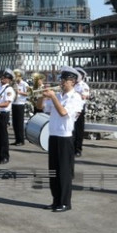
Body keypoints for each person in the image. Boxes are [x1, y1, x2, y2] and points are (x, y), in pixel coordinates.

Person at [40, 67, 84, 212]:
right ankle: (56, 200)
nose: (62, 82)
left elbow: (63, 113)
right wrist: (42, 96)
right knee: (53, 171)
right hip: (53, 135)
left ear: (73, 82)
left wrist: (52, 97)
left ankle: (65, 202)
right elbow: (40, 107)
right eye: (62, 79)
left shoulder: (75, 97)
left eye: (65, 80)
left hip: (65, 137)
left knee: (64, 172)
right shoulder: (58, 95)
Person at [0, 69, 15, 165]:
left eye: (5, 77)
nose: (3, 78)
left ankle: (5, 156)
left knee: (3, 136)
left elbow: (6, 103)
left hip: (3, 114)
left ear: (9, 80)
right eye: (2, 76)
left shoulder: (9, 89)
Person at [73, 67, 90, 157]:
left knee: (79, 130)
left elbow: (84, 96)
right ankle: (71, 148)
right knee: (71, 129)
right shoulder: (72, 84)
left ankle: (78, 149)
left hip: (79, 109)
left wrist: (73, 93)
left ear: (82, 76)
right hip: (70, 108)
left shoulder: (84, 86)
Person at [11, 69, 29, 146]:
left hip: (20, 104)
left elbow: (28, 93)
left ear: (20, 76)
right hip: (14, 103)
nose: (15, 78)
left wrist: (19, 92)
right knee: (15, 123)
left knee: (19, 123)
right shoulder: (13, 84)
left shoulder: (24, 84)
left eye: (16, 76)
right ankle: (17, 139)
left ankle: (21, 140)